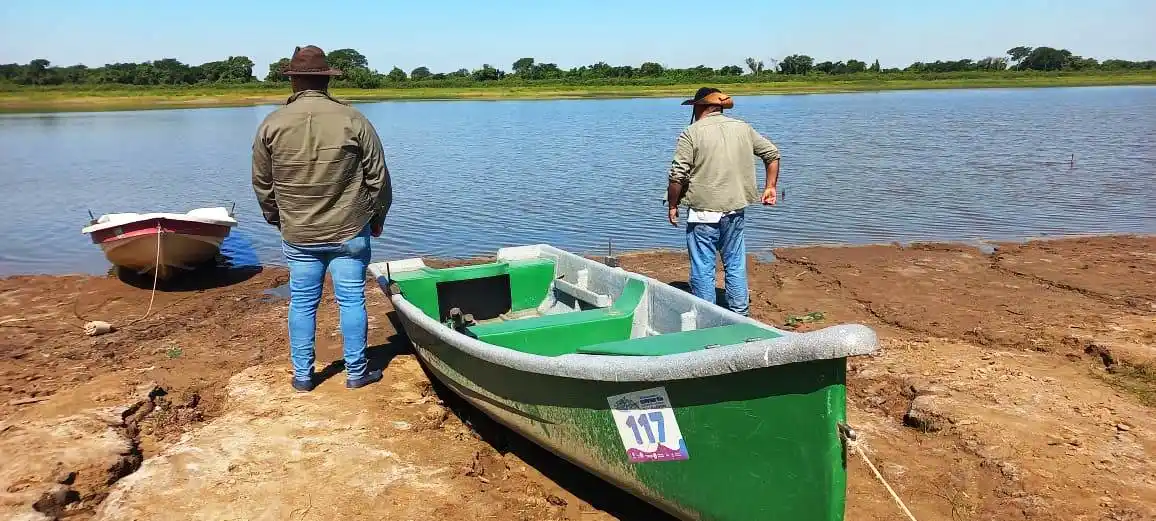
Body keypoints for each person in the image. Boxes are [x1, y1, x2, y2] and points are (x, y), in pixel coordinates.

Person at [252, 45, 392, 392]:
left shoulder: (272, 123)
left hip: (298, 232)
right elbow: (379, 178)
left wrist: (277, 219)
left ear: (294, 80)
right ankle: (356, 373)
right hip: (349, 229)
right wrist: (378, 217)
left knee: (302, 301)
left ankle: (303, 376)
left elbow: (262, 182)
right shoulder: (353, 119)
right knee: (352, 299)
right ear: (326, 80)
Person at [666, 87, 780, 316]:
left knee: (702, 266)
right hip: (735, 210)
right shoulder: (743, 128)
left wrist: (672, 205)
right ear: (719, 107)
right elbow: (772, 154)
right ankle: (740, 313)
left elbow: (677, 176)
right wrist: (770, 187)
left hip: (702, 213)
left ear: (699, 107)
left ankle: (708, 315)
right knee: (735, 262)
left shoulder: (691, 133)